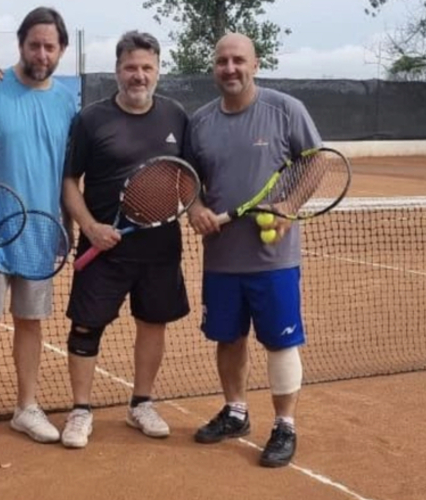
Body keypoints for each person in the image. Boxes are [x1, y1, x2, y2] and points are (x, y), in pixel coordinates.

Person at [184, 32, 322, 468]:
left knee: (280, 344)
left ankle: (284, 426)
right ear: (214, 68)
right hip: (222, 257)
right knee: (228, 338)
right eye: (222, 61)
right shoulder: (201, 122)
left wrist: (289, 206)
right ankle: (236, 411)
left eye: (238, 60)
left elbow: (316, 160)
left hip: (273, 259)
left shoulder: (285, 110)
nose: (230, 68)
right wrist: (196, 208)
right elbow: (188, 180)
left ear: (255, 64)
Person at [0, 7, 77, 453]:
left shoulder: (67, 101)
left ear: (62, 50)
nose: (41, 53)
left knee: (31, 324)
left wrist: (69, 224)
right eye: (34, 44)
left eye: (50, 46)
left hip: (42, 235)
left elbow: (68, 172)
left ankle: (27, 408)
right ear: (20, 44)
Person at [59, 31, 190, 449]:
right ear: (117, 70)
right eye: (131, 67)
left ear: (158, 70)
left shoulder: (176, 116)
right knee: (85, 326)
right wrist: (90, 227)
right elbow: (68, 181)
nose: (139, 75)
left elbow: (189, 176)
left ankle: (141, 403)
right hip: (103, 247)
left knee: (153, 323)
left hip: (160, 247)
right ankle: (80, 410)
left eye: (146, 67)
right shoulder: (91, 119)